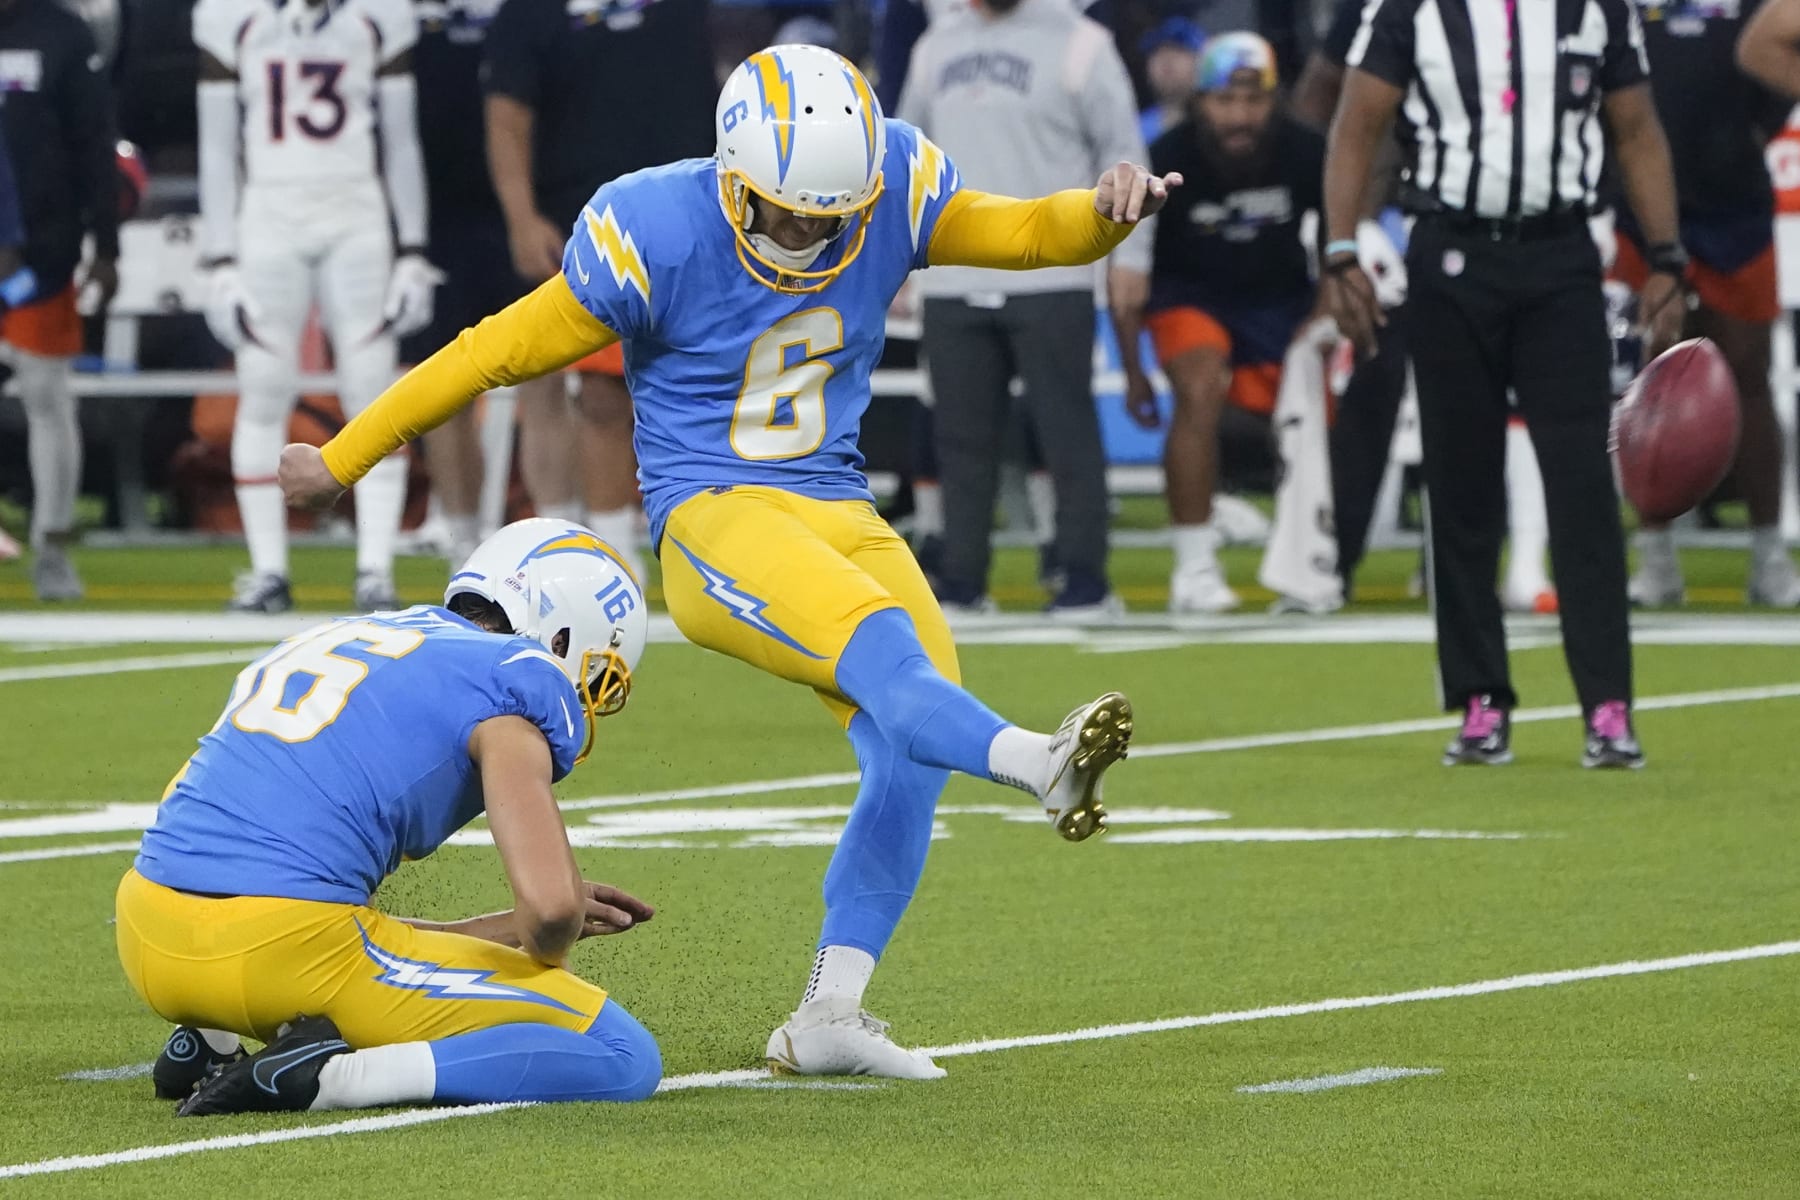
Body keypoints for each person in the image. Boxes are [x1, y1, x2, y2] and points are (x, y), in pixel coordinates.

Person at [281, 44, 1169, 1078]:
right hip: (717, 515)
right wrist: (343, 459)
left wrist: (1101, 212)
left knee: (912, 749)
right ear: (735, 178)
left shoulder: (887, 186)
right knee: (890, 656)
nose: (813, 232)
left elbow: (1018, 231)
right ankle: (1039, 763)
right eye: (791, 212)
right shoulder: (656, 229)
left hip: (836, 501)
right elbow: (490, 351)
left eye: (834, 215)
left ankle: (829, 1014)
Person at [123, 518, 659, 1116]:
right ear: (559, 639)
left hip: (148, 937)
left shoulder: (353, 632)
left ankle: (210, 1038)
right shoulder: (514, 682)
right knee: (623, 1054)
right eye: (590, 675)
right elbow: (552, 913)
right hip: (280, 954)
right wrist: (544, 929)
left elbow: (337, 916)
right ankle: (332, 1078)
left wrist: (511, 925)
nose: (583, 696)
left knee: (340, 934)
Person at [1324, 0, 1685, 769]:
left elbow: (1636, 127)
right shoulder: (1412, 9)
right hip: (1451, 254)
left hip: (1560, 260)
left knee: (1584, 483)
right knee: (1461, 486)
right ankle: (1481, 697)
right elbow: (1357, 122)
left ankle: (1608, 704)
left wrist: (1666, 256)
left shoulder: (1598, 8)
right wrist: (1338, 249)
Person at [900, 0, 1150, 616]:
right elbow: (903, 160)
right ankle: (962, 582)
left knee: (1067, 433)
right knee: (960, 439)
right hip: (953, 275)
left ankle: (1084, 580)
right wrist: (898, 260)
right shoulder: (935, 45)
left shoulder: (1082, 41)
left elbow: (1123, 153)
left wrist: (1132, 257)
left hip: (1056, 272)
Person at [194, 0, 438, 614]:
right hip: (268, 216)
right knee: (263, 387)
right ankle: (269, 570)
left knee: (373, 391)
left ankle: (375, 568)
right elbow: (217, 146)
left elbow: (402, 141)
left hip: (356, 213)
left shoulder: (379, 16)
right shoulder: (232, 16)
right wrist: (221, 258)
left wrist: (412, 246)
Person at [481, 0, 716, 581]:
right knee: (570, 390)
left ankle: (648, 541)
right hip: (577, 223)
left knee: (682, 387)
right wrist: (520, 215)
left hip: (686, 218)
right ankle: (566, 546)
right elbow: (507, 113)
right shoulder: (529, 14)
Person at [1115, 33, 1318, 613]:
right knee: (1200, 384)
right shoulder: (1166, 154)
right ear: (1199, 101)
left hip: (1281, 307)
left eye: (1253, 101)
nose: (1239, 116)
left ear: (1274, 101)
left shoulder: (1306, 150)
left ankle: (1313, 558)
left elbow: (1338, 241)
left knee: (1320, 416)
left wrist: (1325, 320)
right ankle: (1195, 566)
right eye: (1224, 101)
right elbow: (1130, 272)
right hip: (1192, 297)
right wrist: (1133, 371)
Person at [1619, 0, 1800, 607]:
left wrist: (1743, 136)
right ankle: (1656, 555)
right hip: (1641, 203)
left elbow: (1774, 59)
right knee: (1649, 382)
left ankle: (1769, 552)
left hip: (1734, 204)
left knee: (1749, 374)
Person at [0, 0, 119, 601]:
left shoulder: (60, 31)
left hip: (41, 252)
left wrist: (106, 243)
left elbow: (92, 139)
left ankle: (52, 543)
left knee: (45, 392)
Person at [403, 0, 518, 574]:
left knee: (551, 386)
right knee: (443, 384)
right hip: (436, 220)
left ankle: (562, 525)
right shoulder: (401, 19)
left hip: (518, 212)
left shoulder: (523, 16)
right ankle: (462, 539)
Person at [1138, 16, 1205, 145]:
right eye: (1157, 52)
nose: (1167, 59)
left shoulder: (1215, 125)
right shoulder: (1135, 130)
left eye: (1179, 50)